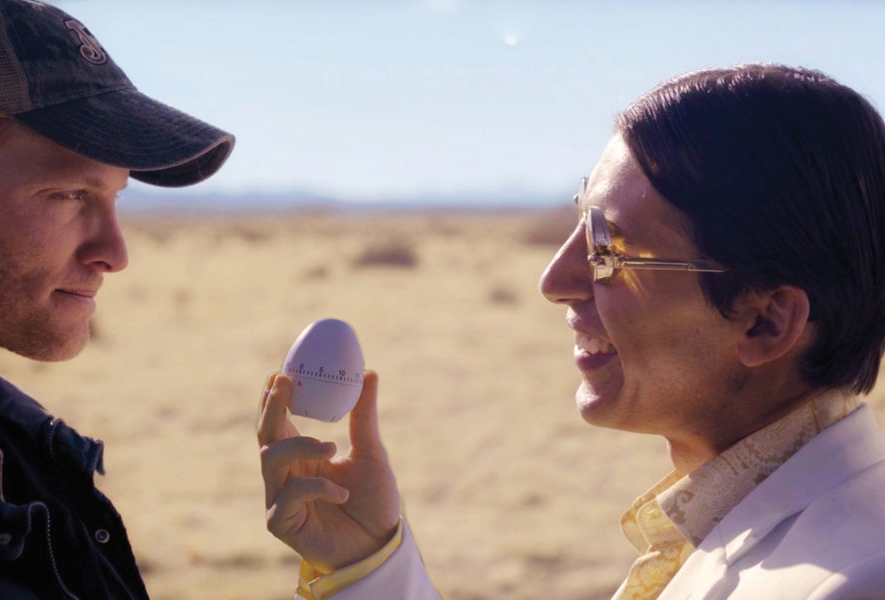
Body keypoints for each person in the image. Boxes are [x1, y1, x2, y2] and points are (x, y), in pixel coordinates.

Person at [258, 63, 885, 599]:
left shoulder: (850, 581)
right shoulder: (760, 532)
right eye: (580, 225)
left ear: (765, 321)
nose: (555, 279)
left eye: (608, 249)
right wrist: (368, 561)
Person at [0, 0, 233, 597]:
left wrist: (361, 570)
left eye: (114, 198)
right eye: (71, 194)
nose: (114, 253)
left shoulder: (28, 466)